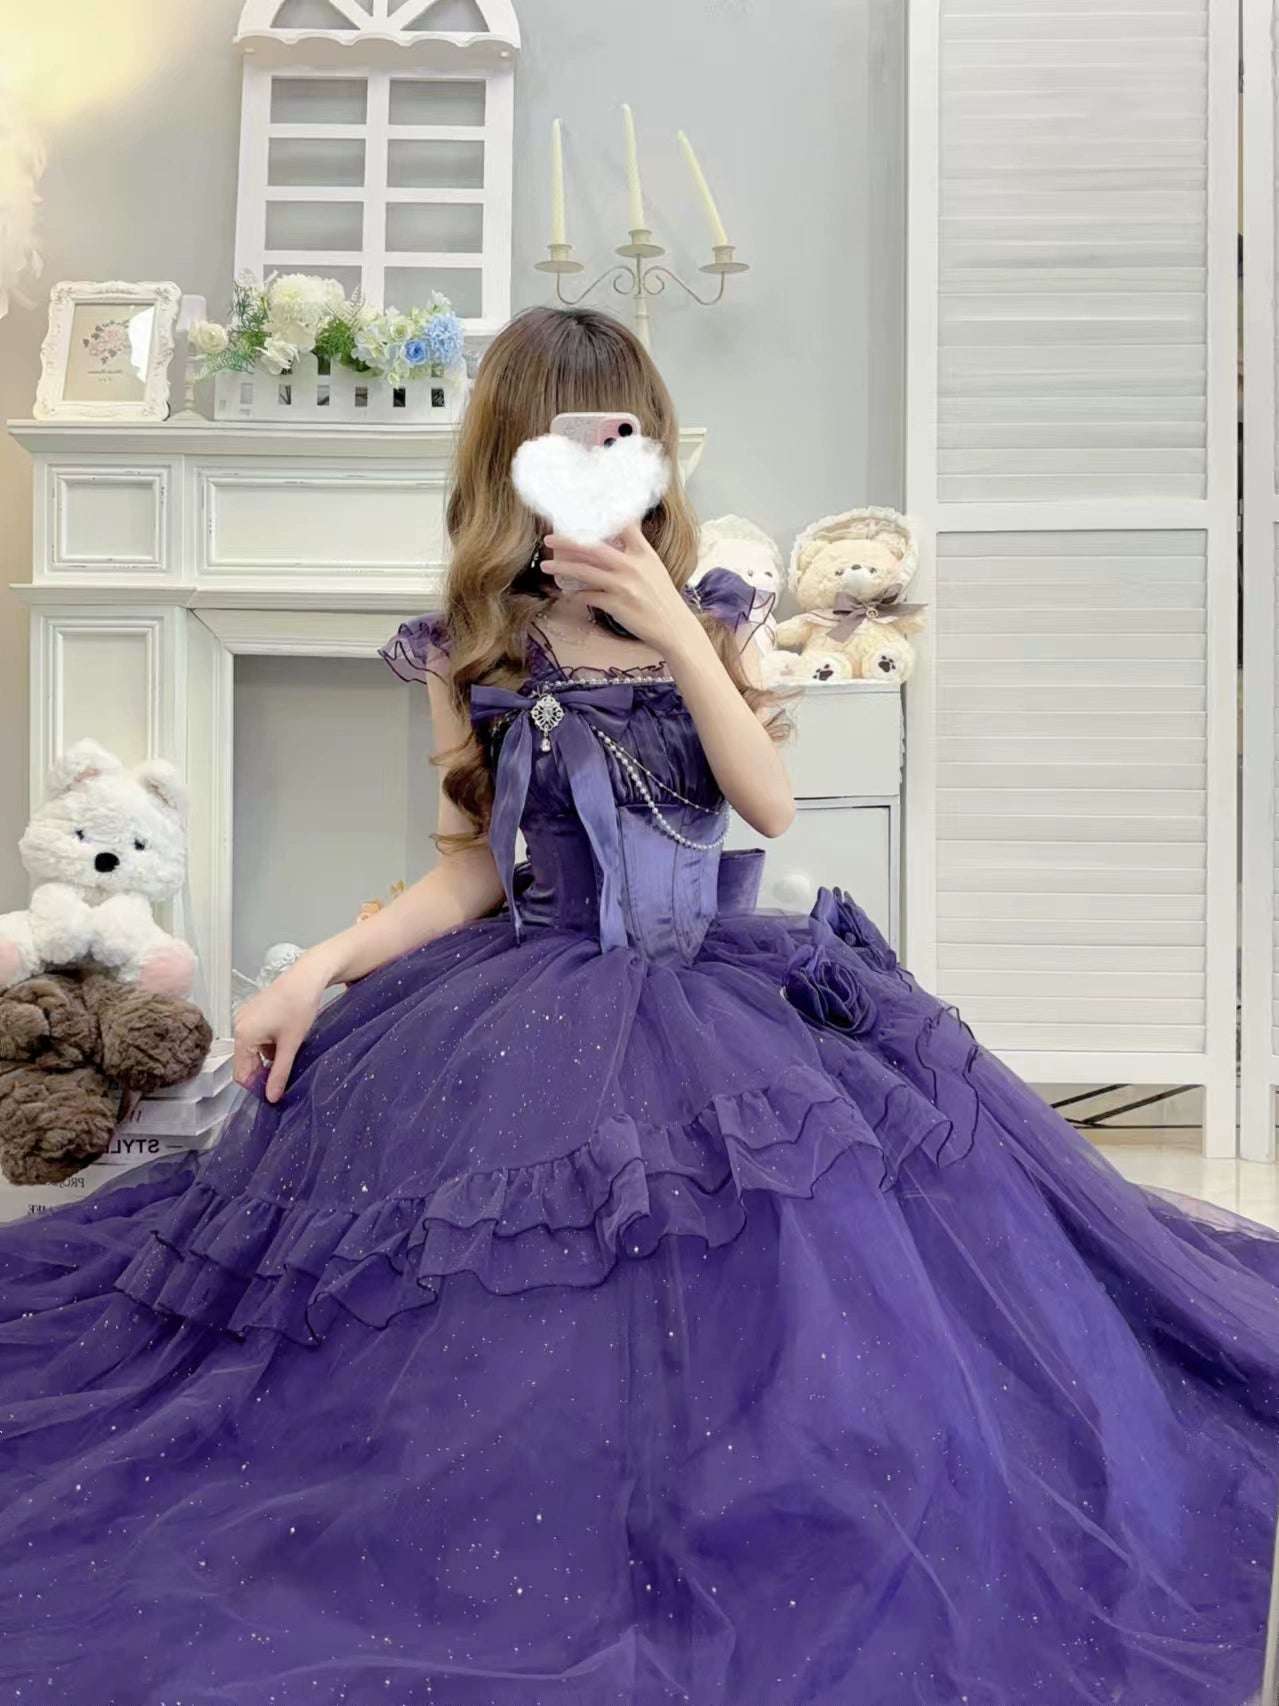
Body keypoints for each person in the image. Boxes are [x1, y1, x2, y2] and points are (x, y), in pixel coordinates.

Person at [1, 305, 1277, 1706]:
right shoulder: (469, 648)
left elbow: (767, 804)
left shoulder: (709, 613)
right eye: (567, 445)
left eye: (626, 440)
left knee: (831, 1274)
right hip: (526, 994)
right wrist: (314, 970)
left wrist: (671, 624)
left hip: (722, 987)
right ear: (512, 462)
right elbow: (467, 868)